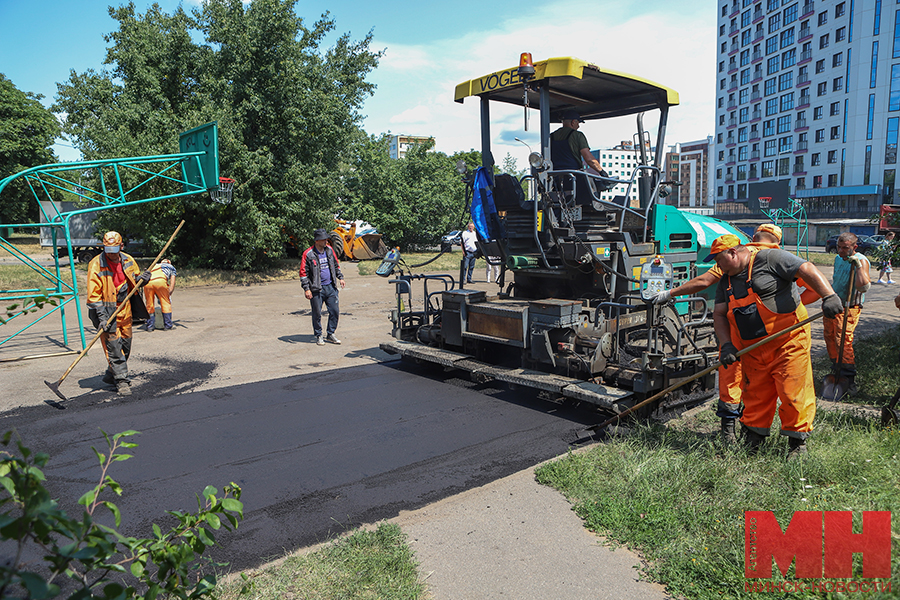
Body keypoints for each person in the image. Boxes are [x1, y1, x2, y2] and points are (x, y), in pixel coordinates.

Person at [650, 223, 787, 443]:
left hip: (736, 330)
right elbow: (806, 288)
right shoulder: (780, 258)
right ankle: (756, 434)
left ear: (752, 237)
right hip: (772, 333)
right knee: (767, 384)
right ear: (777, 240)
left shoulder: (741, 255)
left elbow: (705, 281)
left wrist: (670, 293)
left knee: (731, 375)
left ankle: (728, 431)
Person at [709, 234, 842, 458]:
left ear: (732, 253)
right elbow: (720, 314)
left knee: (793, 392)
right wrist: (727, 345)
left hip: (788, 341)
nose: (717, 266)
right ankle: (753, 437)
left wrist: (828, 295)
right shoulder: (726, 281)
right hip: (753, 349)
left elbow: (806, 268)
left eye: (719, 260)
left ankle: (797, 445)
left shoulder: (769, 258)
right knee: (755, 394)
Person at [86, 231, 151, 396]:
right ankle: (122, 381)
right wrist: (102, 318)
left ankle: (111, 373)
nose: (111, 254)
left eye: (115, 250)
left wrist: (143, 279)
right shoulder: (96, 264)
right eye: (108, 250)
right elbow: (93, 296)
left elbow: (135, 280)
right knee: (113, 348)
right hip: (106, 311)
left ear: (121, 247)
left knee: (125, 347)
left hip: (125, 308)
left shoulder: (128, 260)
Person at [824, 233, 871, 396]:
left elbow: (863, 287)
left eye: (845, 248)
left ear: (854, 247)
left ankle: (849, 379)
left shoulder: (861, 260)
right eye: (839, 246)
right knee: (830, 336)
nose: (841, 250)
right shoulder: (838, 259)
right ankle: (836, 368)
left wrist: (857, 266)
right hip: (835, 305)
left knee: (843, 340)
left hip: (849, 307)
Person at [300, 228, 345, 346]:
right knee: (317, 313)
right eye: (323, 239)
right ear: (317, 240)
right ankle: (319, 335)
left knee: (335, 311)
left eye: (326, 239)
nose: (326, 241)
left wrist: (341, 277)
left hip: (331, 287)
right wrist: (307, 289)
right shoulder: (308, 254)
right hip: (316, 289)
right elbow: (303, 273)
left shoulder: (330, 250)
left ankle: (331, 333)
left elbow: (336, 265)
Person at [143, 259, 177, 331]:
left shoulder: (154, 266)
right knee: (165, 303)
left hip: (147, 282)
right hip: (160, 281)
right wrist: (168, 294)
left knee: (149, 304)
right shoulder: (171, 267)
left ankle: (150, 326)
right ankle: (168, 325)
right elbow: (172, 283)